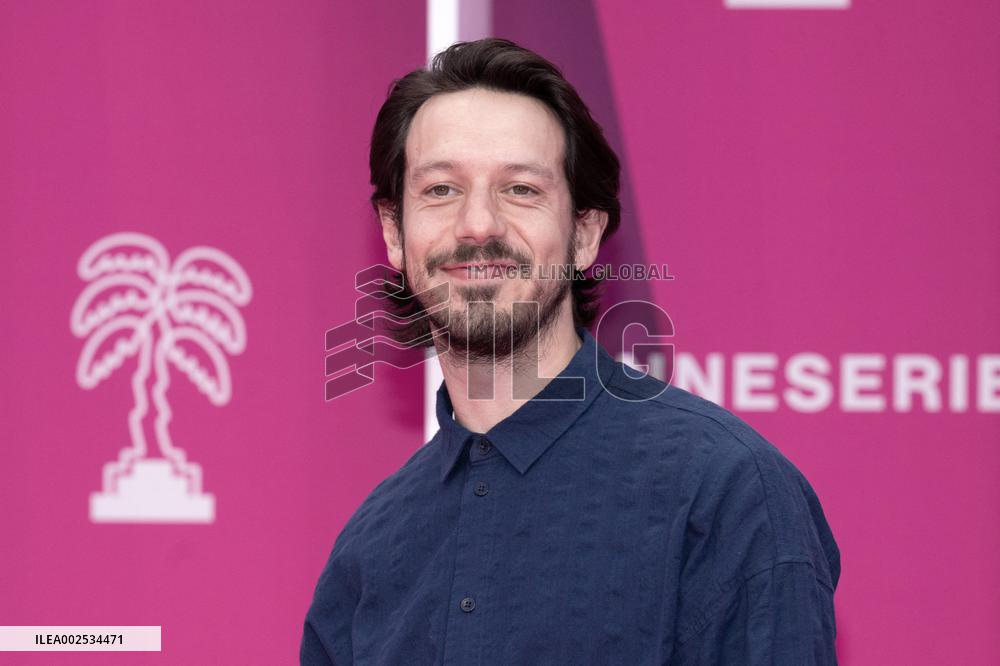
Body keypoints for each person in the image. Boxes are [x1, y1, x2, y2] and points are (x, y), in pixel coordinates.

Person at [301, 38, 840, 665]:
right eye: (441, 190)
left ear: (584, 236)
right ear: (395, 234)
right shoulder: (368, 553)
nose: (479, 225)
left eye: (521, 190)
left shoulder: (725, 492)